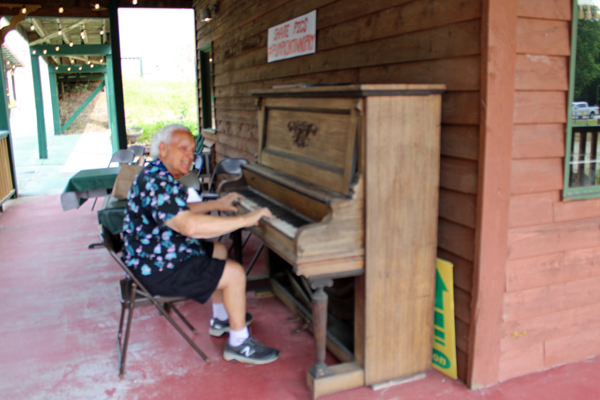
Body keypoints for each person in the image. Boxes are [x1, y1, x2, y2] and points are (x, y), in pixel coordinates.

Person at [121, 124, 279, 365]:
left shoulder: (156, 173)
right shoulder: (158, 182)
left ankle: (220, 319)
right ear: (162, 149)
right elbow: (189, 227)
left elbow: (176, 211)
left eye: (193, 150)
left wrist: (217, 204)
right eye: (182, 148)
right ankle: (239, 344)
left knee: (219, 250)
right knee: (235, 273)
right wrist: (245, 220)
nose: (190, 155)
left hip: (151, 255)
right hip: (155, 269)